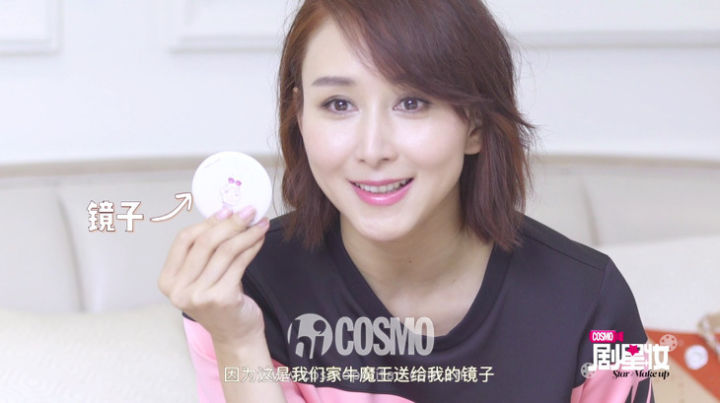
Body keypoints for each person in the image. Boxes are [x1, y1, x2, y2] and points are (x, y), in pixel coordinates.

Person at [158, 1, 655, 402]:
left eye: (413, 102)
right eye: (338, 104)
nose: (373, 149)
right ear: (299, 116)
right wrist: (237, 340)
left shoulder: (591, 298)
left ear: (476, 124)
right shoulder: (243, 292)